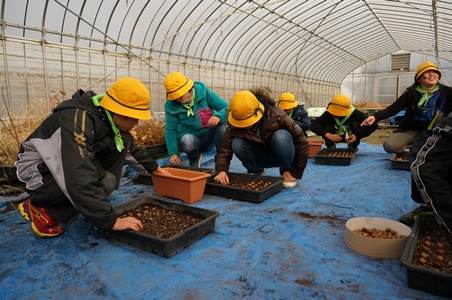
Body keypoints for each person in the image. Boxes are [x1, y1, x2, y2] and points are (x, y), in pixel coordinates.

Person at [15, 77, 169, 238]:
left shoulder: (106, 117)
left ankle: (90, 206)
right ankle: (38, 206)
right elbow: (78, 173)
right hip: (38, 171)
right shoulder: (77, 121)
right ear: (120, 113)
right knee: (93, 180)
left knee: (107, 179)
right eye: (135, 118)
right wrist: (110, 221)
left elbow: (128, 148)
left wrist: (155, 169)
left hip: (64, 162)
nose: (137, 123)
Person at [214, 87, 309, 189]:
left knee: (281, 136)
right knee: (237, 143)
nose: (246, 126)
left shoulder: (277, 115)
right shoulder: (234, 122)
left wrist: (296, 172)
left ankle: (287, 172)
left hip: (280, 153)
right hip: (259, 155)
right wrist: (221, 170)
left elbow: (301, 140)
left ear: (258, 111)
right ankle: (256, 171)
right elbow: (224, 149)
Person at [361, 61, 452, 154]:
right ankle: (414, 144)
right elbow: (394, 108)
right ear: (418, 78)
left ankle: (420, 146)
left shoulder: (447, 92)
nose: (432, 74)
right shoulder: (411, 93)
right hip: (413, 129)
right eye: (427, 72)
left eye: (435, 72)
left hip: (436, 130)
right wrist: (375, 117)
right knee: (390, 146)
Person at [398, 108, 452, 232]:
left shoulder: (443, 92)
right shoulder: (412, 93)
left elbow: (424, 166)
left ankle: (438, 208)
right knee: (396, 145)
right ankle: (432, 206)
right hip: (419, 129)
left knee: (424, 164)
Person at [163, 72, 229, 167]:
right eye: (175, 97)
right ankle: (194, 158)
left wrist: (219, 116)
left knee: (221, 126)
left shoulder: (204, 94)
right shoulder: (172, 106)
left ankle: (221, 160)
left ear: (188, 89)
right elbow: (170, 130)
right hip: (191, 140)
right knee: (187, 140)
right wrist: (173, 152)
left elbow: (227, 108)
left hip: (208, 138)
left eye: (180, 95)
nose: (178, 99)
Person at [310, 94, 378, 149]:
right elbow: (313, 125)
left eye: (339, 112)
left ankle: (352, 146)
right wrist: (326, 134)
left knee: (356, 124)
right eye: (335, 111)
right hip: (333, 136)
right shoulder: (328, 114)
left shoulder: (355, 114)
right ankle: (331, 146)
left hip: (350, 137)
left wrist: (357, 135)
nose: (336, 114)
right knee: (325, 126)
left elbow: (373, 125)